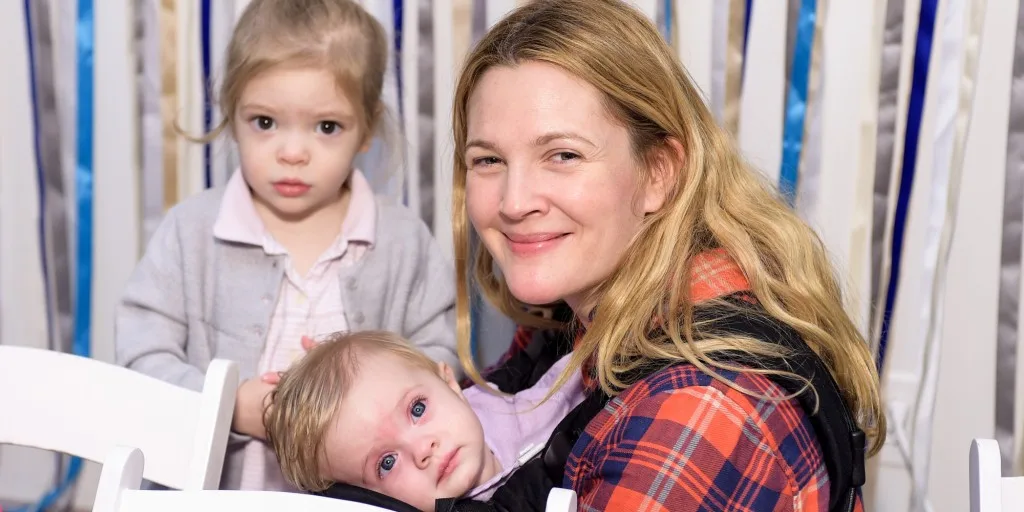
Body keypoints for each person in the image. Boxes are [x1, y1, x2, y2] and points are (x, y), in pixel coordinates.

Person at [446, 0, 886, 510]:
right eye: (489, 160)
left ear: (658, 173)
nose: (514, 202)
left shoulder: (699, 408)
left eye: (563, 155)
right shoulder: (580, 313)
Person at [114, 0, 457, 491]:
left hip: (359, 497)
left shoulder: (401, 241)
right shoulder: (191, 232)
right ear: (232, 113)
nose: (292, 153)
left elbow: (439, 357)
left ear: (366, 128)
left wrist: (372, 384)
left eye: (326, 127)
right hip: (210, 494)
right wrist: (229, 405)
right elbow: (139, 356)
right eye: (265, 122)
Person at [263, 330, 586, 512]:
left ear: (449, 384)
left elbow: (572, 376)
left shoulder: (500, 398)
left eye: (417, 410)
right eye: (387, 462)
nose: (422, 450)